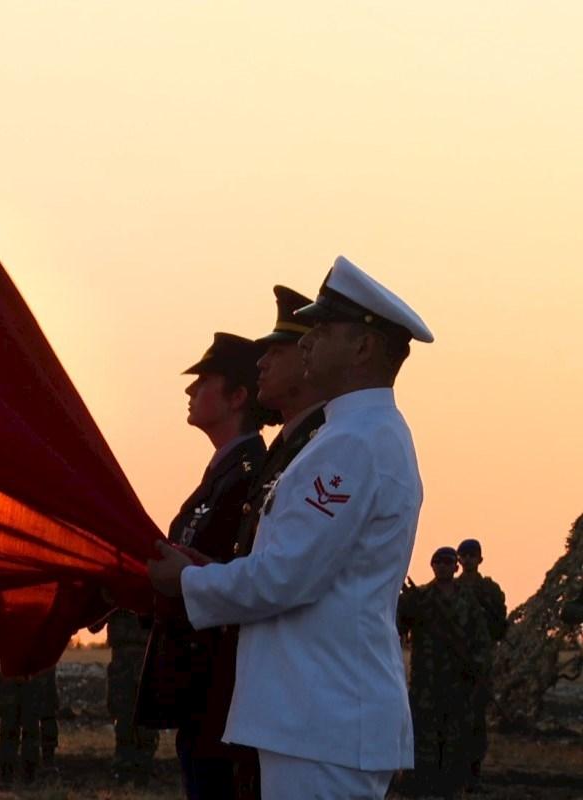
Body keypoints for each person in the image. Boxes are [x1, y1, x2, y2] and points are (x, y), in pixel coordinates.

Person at [148, 255, 435, 798]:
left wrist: (185, 584)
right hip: (314, 714)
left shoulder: (354, 443)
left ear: (363, 348)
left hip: (322, 716)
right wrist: (206, 572)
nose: (307, 341)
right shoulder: (350, 435)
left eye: (323, 330)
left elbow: (284, 578)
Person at [137, 332, 268, 800]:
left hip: (222, 691)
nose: (190, 392)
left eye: (203, 381)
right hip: (200, 690)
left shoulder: (252, 477)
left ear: (238, 397)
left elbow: (240, 577)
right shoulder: (224, 473)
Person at [208, 285, 327, 799]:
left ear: (308, 362)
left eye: (275, 353)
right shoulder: (287, 447)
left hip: (301, 700)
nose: (260, 364)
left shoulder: (323, 448)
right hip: (264, 691)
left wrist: (192, 580)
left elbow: (285, 575)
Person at [398, 547, 492, 797]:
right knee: (424, 738)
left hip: (457, 683)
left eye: (447, 562)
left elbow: (481, 638)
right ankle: (421, 785)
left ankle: (451, 786)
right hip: (425, 681)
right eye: (437, 561)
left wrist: (477, 668)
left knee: (455, 739)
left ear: (455, 567)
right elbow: (399, 624)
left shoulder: (468, 601)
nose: (442, 566)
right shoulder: (420, 598)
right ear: (431, 566)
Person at [454, 538, 508, 790]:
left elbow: (499, 626)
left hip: (480, 664)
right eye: (463, 556)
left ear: (480, 559)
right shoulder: (448, 589)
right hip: (452, 664)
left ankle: (473, 775)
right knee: (452, 719)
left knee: (476, 720)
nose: (467, 560)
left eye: (472, 556)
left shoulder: (490, 590)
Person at [95, 610, 157, 784]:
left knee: (144, 716)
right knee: (123, 716)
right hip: (127, 658)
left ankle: (140, 766)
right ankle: (127, 766)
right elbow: (95, 624)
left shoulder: (151, 586)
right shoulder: (117, 589)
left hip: (144, 655)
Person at [0, 663, 60, 783]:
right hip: (30, 679)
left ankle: (9, 776)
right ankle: (27, 776)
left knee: (12, 731)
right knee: (28, 732)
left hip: (13, 677)